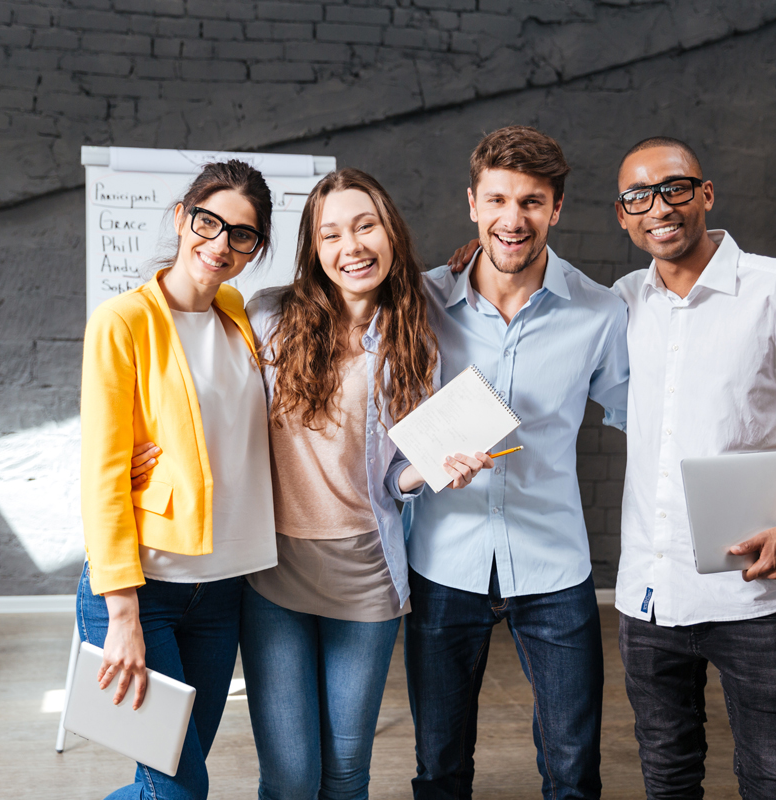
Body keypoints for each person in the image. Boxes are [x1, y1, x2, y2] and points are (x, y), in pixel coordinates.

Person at [611, 136, 776, 799]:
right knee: (667, 779)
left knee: (773, 780)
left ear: (705, 194)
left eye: (674, 188)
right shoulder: (619, 304)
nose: (658, 207)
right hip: (649, 593)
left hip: (756, 589)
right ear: (623, 215)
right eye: (638, 196)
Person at [240, 168, 493, 800]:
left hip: (366, 576)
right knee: (291, 778)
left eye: (364, 226)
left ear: (389, 233)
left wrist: (438, 469)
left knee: (347, 772)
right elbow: (213, 406)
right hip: (272, 571)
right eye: (331, 235)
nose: (350, 246)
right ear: (315, 250)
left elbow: (395, 473)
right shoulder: (267, 317)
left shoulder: (414, 338)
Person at [397, 126, 630, 800]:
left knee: (573, 771)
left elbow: (642, 421)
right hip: (444, 559)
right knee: (439, 769)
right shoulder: (420, 301)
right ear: (473, 202)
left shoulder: (600, 312)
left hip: (553, 563)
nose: (512, 218)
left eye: (531, 202)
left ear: (556, 209)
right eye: (497, 199)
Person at [78, 160, 278, 800]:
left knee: (162, 782)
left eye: (241, 235)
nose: (219, 245)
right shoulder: (122, 322)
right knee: (181, 788)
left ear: (255, 250)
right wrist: (123, 614)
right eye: (207, 222)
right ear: (181, 218)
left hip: (221, 594)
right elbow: (103, 474)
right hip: (146, 590)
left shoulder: (237, 313)